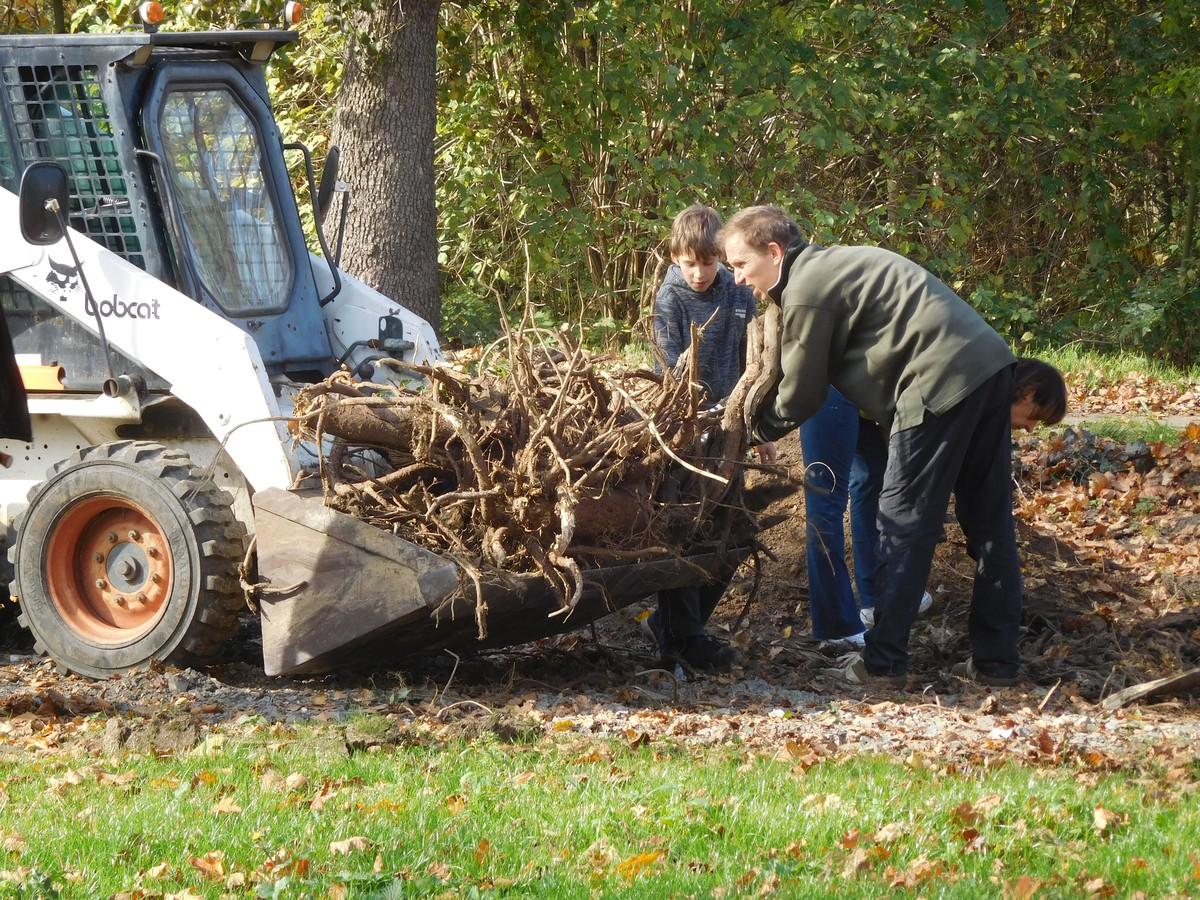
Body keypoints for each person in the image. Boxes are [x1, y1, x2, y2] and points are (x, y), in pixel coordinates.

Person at [720, 204, 1039, 687]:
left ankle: (883, 663)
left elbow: (803, 392)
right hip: (991, 369)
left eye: (741, 264)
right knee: (989, 522)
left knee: (902, 522)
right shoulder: (829, 267)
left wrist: (748, 432)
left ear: (773, 251)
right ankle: (996, 662)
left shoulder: (807, 288)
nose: (738, 278)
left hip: (937, 382)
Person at [850, 357, 1067, 633]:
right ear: (1029, 391)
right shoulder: (965, 389)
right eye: (1035, 416)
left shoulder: (980, 389)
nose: (1031, 428)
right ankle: (881, 634)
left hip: (883, 407)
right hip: (859, 400)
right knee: (892, 505)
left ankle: (884, 638)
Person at [646, 203, 763, 672]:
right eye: (688, 263)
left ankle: (673, 626)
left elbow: (749, 360)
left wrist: (753, 424)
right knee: (685, 530)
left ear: (722, 257)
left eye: (708, 262)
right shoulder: (670, 299)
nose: (698, 273)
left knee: (732, 531)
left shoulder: (740, 295)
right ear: (675, 257)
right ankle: (683, 638)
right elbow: (666, 369)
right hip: (686, 434)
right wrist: (688, 421)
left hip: (733, 430)